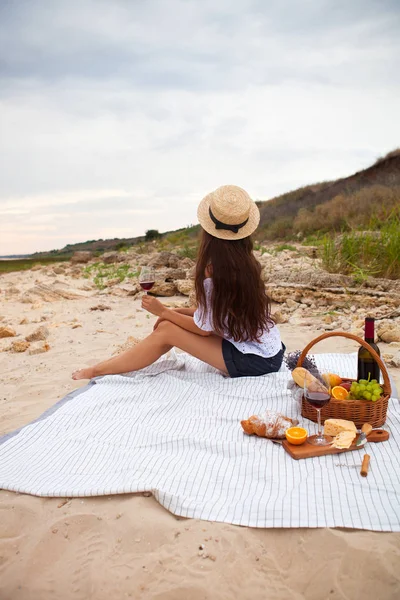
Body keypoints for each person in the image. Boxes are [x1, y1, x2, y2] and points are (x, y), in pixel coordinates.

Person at [72, 185, 285, 380]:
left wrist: (163, 312)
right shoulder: (245, 263)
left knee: (166, 330)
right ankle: (105, 367)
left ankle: (97, 371)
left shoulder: (215, 270)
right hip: (269, 351)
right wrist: (175, 311)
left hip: (254, 360)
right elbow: (215, 317)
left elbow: (204, 330)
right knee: (167, 325)